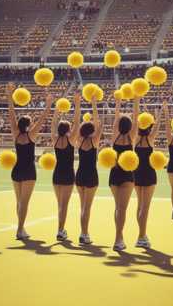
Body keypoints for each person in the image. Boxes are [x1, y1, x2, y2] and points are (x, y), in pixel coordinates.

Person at [6, 83, 52, 240]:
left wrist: (9, 96)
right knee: (24, 203)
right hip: (28, 171)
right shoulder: (31, 135)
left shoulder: (15, 134)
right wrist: (48, 105)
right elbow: (43, 119)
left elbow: (11, 115)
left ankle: (21, 227)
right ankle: (20, 229)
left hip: (16, 170)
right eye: (31, 123)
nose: (33, 124)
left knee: (19, 202)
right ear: (28, 125)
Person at [109, 94, 139, 251]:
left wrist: (119, 104)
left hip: (114, 175)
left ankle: (119, 238)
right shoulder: (131, 137)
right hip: (127, 175)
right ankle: (118, 239)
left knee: (117, 207)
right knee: (122, 208)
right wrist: (136, 100)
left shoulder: (115, 136)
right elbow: (136, 118)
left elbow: (116, 120)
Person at [51, 93, 81, 241]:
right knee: (64, 205)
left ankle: (61, 229)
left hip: (56, 175)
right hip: (68, 175)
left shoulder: (55, 140)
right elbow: (77, 122)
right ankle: (60, 230)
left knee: (60, 205)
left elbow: (52, 124)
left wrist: (57, 109)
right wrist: (77, 104)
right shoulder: (71, 140)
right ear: (68, 130)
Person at [133, 103, 162, 248]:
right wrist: (161, 111)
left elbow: (136, 122)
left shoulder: (135, 140)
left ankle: (141, 234)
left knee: (140, 205)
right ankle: (141, 236)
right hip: (149, 174)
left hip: (136, 174)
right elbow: (157, 126)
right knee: (145, 207)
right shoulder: (150, 139)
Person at [75, 96, 102, 245]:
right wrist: (94, 104)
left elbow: (78, 125)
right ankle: (84, 234)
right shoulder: (94, 141)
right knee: (87, 207)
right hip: (91, 176)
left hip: (79, 175)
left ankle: (84, 233)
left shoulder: (79, 140)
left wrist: (78, 105)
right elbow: (98, 124)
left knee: (82, 206)